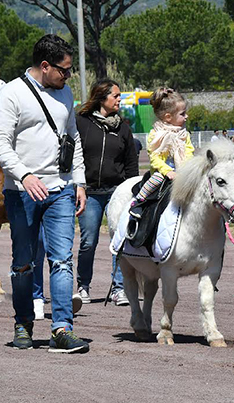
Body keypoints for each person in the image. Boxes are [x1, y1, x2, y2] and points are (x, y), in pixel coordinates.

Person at [0, 34, 89, 353]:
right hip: (21, 193)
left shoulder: (66, 93)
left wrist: (80, 182)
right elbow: (0, 143)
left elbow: (71, 138)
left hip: (60, 190)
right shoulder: (11, 93)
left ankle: (62, 329)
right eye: (64, 70)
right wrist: (25, 175)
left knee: (61, 261)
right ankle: (23, 323)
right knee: (23, 263)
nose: (68, 76)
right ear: (45, 66)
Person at [70, 79, 138, 307]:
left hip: (117, 193)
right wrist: (77, 185)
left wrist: (131, 193)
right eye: (116, 96)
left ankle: (120, 288)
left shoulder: (124, 128)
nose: (120, 99)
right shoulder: (81, 122)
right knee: (88, 240)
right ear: (102, 97)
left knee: (119, 240)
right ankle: (83, 287)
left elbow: (131, 164)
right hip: (89, 192)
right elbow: (73, 156)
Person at [126, 88, 194, 233]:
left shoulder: (184, 134)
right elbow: (154, 158)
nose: (186, 116)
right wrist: (167, 171)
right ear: (168, 117)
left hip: (182, 171)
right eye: (182, 114)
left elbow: (189, 152)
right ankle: (139, 202)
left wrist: (187, 168)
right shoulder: (155, 135)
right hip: (163, 171)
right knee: (156, 179)